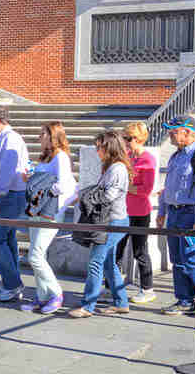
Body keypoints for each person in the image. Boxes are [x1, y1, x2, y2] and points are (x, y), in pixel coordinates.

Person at [69, 131, 132, 317]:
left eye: (99, 147)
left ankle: (87, 306)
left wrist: (86, 196)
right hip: (112, 221)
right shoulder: (112, 167)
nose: (97, 151)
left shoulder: (117, 169)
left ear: (109, 147)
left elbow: (109, 196)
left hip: (113, 222)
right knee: (107, 264)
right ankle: (121, 302)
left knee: (95, 262)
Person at [159, 115, 195, 314]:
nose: (170, 135)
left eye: (174, 131)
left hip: (191, 214)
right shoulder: (176, 156)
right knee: (177, 260)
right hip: (174, 213)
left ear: (188, 132)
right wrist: (162, 210)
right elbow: (168, 186)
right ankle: (185, 300)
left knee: (192, 260)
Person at [24, 120, 75, 313]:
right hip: (37, 211)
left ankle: (55, 293)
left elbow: (65, 185)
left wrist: (44, 190)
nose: (39, 137)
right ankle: (42, 296)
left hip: (50, 212)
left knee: (35, 255)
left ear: (52, 136)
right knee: (39, 254)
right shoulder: (45, 158)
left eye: (42, 134)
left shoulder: (60, 157)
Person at [0, 105, 30, 303]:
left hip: (8, 196)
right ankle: (11, 284)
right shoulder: (6, 139)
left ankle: (12, 284)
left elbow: (7, 170)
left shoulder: (10, 139)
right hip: (10, 196)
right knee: (8, 240)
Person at [116, 121, 157, 305]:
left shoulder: (147, 159)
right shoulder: (129, 158)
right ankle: (113, 287)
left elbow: (146, 190)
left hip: (139, 212)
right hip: (123, 211)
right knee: (117, 250)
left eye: (127, 138)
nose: (125, 142)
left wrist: (126, 186)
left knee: (140, 252)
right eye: (124, 138)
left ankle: (147, 289)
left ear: (138, 139)